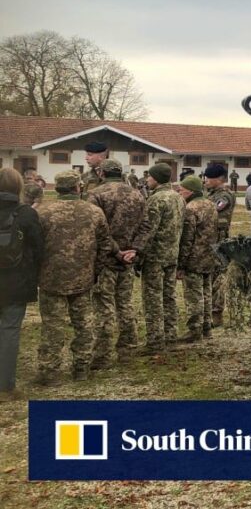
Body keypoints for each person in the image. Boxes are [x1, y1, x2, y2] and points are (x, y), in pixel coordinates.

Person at [36, 170, 116, 383]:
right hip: (83, 278)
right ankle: (81, 368)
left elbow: (34, 247)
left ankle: (49, 372)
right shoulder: (94, 212)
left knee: (53, 325)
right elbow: (105, 246)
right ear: (78, 187)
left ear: (57, 187)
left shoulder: (43, 213)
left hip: (51, 278)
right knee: (83, 323)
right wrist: (95, 271)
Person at [88, 159, 146, 366]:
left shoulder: (96, 194)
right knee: (125, 304)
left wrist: (117, 252)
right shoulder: (137, 194)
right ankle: (128, 351)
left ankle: (102, 356)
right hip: (127, 259)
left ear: (101, 173)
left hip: (105, 259)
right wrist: (134, 251)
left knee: (104, 307)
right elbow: (145, 226)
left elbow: (96, 229)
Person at [128, 163, 185, 352]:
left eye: (150, 177)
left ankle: (155, 341)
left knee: (153, 298)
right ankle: (171, 336)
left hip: (156, 256)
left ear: (157, 178)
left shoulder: (156, 199)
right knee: (169, 296)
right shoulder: (178, 197)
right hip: (172, 254)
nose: (147, 180)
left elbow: (148, 230)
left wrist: (137, 252)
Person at [0, 168, 45, 398]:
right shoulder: (26, 213)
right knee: (9, 332)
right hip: (16, 282)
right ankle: (5, 387)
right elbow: (39, 249)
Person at [177, 177, 218, 342]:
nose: (179, 192)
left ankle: (194, 330)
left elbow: (187, 238)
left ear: (191, 191)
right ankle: (207, 328)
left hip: (194, 257)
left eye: (182, 189)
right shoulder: (210, 204)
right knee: (207, 293)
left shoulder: (190, 208)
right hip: (209, 256)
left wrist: (181, 264)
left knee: (194, 296)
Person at [204, 165, 236, 328]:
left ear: (219, 179)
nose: (206, 181)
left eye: (209, 178)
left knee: (217, 279)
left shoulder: (223, 196)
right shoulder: (212, 194)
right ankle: (208, 311)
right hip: (209, 240)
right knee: (209, 277)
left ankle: (216, 315)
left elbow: (212, 212)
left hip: (218, 242)